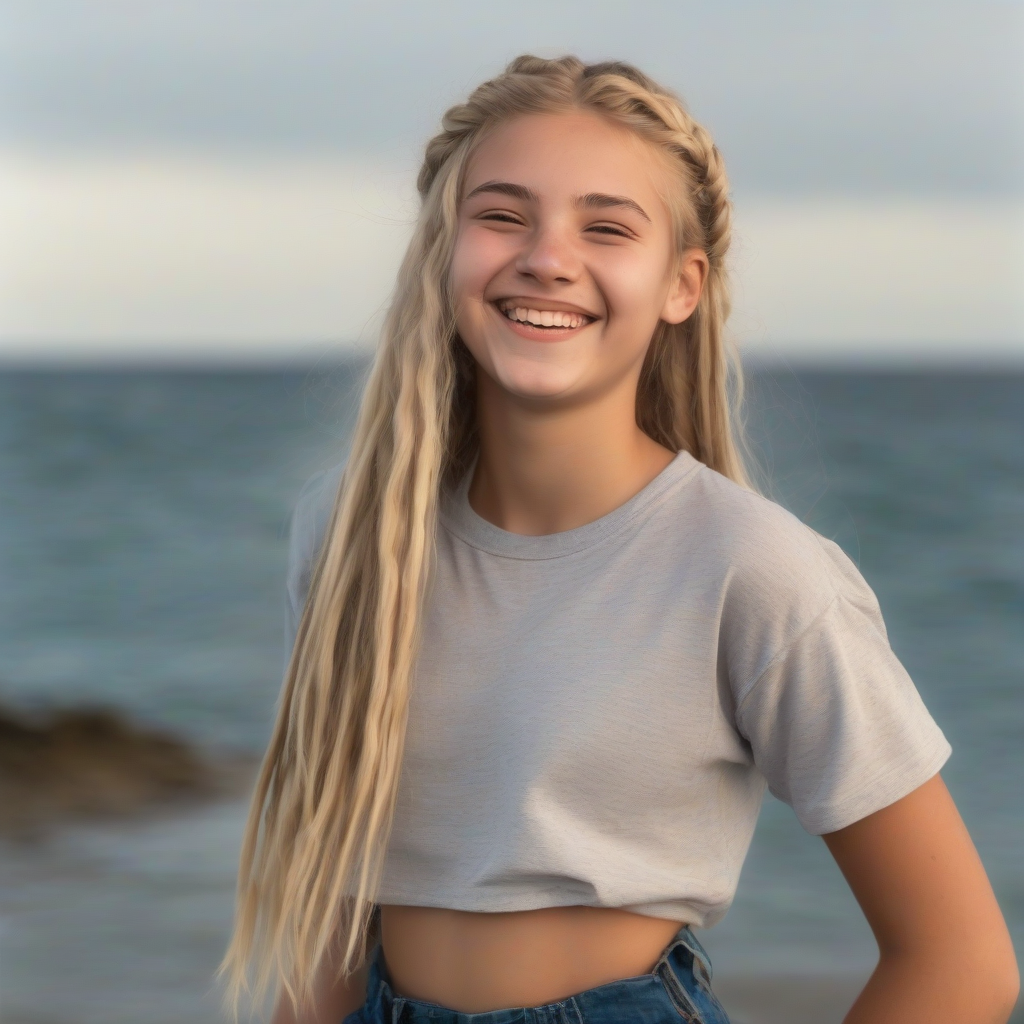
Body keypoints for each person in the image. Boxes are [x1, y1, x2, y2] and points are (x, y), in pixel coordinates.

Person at [221, 55, 1019, 1024]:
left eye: (605, 227)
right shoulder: (352, 532)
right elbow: (332, 917)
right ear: (441, 252)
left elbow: (961, 962)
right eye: (503, 215)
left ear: (681, 284)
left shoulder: (750, 568)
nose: (547, 257)